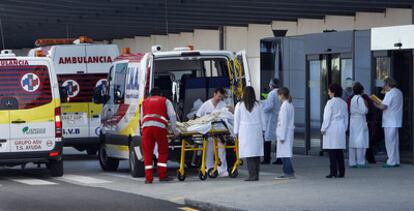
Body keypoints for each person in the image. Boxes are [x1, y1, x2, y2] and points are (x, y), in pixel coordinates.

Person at [141, 87, 178, 184]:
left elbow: (142, 117)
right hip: (159, 127)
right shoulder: (165, 101)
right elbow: (172, 115)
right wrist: (174, 130)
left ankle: (148, 178)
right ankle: (162, 175)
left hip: (146, 128)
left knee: (147, 153)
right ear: (160, 94)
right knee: (162, 151)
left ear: (150, 94)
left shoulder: (144, 102)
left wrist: (142, 129)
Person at [234, 86, 265, 181]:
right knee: (256, 153)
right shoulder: (258, 105)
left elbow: (236, 120)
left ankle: (252, 175)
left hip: (245, 131)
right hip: (256, 130)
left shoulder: (239, 105)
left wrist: (235, 132)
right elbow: (263, 119)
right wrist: (264, 130)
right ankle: (256, 175)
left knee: (249, 154)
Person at [196, 88, 228, 177]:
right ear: (214, 94)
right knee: (209, 151)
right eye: (218, 96)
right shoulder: (206, 105)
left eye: (221, 97)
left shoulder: (222, 104)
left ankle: (222, 170)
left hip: (220, 132)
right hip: (209, 133)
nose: (219, 99)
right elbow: (198, 116)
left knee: (221, 150)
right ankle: (209, 168)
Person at [373, 77, 403, 168]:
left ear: (387, 84)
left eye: (384, 85)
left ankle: (391, 161)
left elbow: (383, 107)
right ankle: (396, 160)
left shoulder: (390, 93)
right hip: (396, 120)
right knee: (395, 142)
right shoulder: (399, 92)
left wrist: (375, 104)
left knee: (389, 142)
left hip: (389, 121)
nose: (383, 87)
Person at [321, 84, 348, 178]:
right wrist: (345, 128)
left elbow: (327, 117)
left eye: (329, 91)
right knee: (339, 151)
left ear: (333, 92)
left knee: (332, 151)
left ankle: (333, 172)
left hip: (331, 127)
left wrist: (323, 128)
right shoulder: (343, 103)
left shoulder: (330, 103)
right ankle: (342, 172)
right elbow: (346, 117)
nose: (328, 93)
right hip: (340, 127)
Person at [275, 87, 295, 179]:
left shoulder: (284, 106)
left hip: (284, 133)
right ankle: (289, 171)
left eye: (279, 95)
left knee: (285, 154)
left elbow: (283, 122)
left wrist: (282, 136)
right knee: (286, 153)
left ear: (282, 95)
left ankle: (288, 172)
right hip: (288, 132)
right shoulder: (289, 104)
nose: (278, 97)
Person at [348, 82, 369, 168]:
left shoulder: (352, 98)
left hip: (353, 121)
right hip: (360, 120)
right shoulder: (360, 99)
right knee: (361, 140)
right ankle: (360, 161)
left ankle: (352, 162)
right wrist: (366, 106)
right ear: (362, 91)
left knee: (353, 141)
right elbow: (364, 111)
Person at [261, 79, 282, 165]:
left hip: (272, 119)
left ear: (271, 85)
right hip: (277, 117)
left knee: (267, 139)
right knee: (278, 139)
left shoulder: (272, 93)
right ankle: (279, 158)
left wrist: (262, 110)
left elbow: (270, 106)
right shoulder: (279, 92)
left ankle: (267, 158)